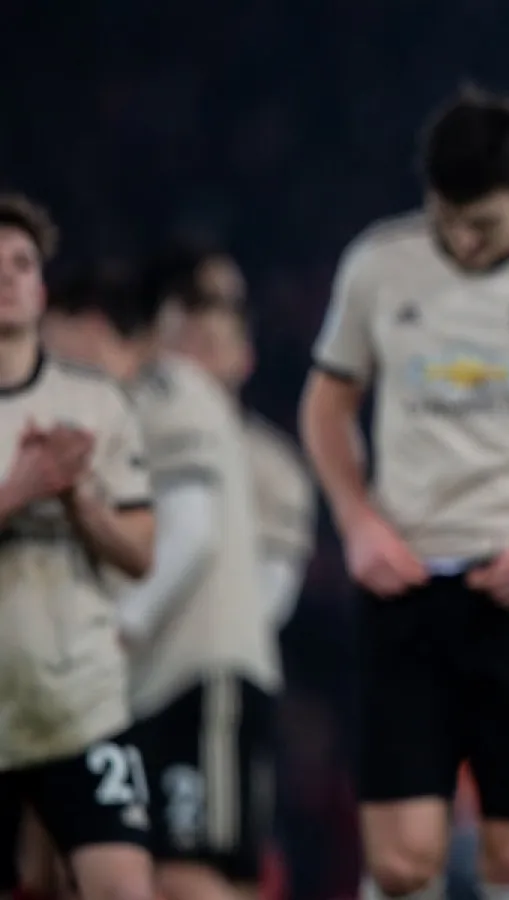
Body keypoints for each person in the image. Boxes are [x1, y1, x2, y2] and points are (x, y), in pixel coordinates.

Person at [299, 85, 509, 900]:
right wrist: (358, 522)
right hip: (406, 588)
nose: (461, 238)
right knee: (401, 861)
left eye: (481, 222)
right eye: (446, 216)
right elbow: (326, 404)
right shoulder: (380, 264)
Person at [43, 261, 280, 900]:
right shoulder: (129, 400)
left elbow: (191, 529)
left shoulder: (166, 388)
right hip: (151, 684)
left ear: (87, 326)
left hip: (198, 674)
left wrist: (123, 625)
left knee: (188, 872)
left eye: (52, 334)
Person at [0, 195, 157, 900]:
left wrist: (73, 498)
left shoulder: (95, 405)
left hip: (79, 704)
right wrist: (18, 491)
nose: (7, 278)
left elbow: (140, 553)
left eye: (22, 263)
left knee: (123, 887)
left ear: (42, 288)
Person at [159, 248, 316, 631]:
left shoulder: (272, 466)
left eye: (209, 347)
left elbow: (272, 592)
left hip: (211, 655)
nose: (191, 363)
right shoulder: (127, 437)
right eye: (184, 345)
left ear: (244, 359)